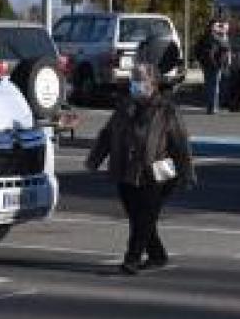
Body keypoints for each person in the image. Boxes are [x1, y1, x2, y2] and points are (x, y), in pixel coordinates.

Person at [84, 61, 197, 275]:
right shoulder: (124, 106)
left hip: (156, 174)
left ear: (153, 83)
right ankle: (157, 255)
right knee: (139, 218)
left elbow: (181, 143)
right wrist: (94, 160)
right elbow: (107, 134)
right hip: (125, 172)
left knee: (144, 218)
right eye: (133, 78)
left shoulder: (166, 109)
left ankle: (132, 259)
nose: (135, 83)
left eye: (140, 78)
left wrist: (187, 173)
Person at [201, 20, 231, 114]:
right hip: (215, 64)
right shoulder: (215, 37)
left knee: (209, 85)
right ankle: (213, 107)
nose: (218, 27)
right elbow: (226, 46)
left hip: (207, 64)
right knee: (214, 86)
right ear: (212, 27)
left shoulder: (204, 37)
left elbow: (197, 49)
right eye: (217, 26)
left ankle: (210, 106)